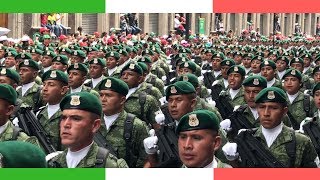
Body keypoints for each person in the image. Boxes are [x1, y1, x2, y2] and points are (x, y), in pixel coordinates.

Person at [223, 87, 319, 167]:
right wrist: (233, 160)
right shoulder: (246, 138)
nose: (266, 113)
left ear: (284, 111)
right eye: (262, 107)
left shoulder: (301, 141)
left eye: (273, 108)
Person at [47, 92, 128, 168]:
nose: (66, 124)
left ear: (95, 125)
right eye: (64, 118)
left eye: (76, 119)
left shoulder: (111, 166)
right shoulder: (51, 163)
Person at [98, 77, 149, 167]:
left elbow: (147, 160)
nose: (103, 99)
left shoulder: (136, 126)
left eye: (109, 95)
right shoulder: (92, 122)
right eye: (101, 95)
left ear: (122, 100)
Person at [36, 70, 69, 151]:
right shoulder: (38, 113)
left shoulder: (68, 115)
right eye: (44, 84)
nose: (45, 89)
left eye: (51, 85)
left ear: (63, 90)